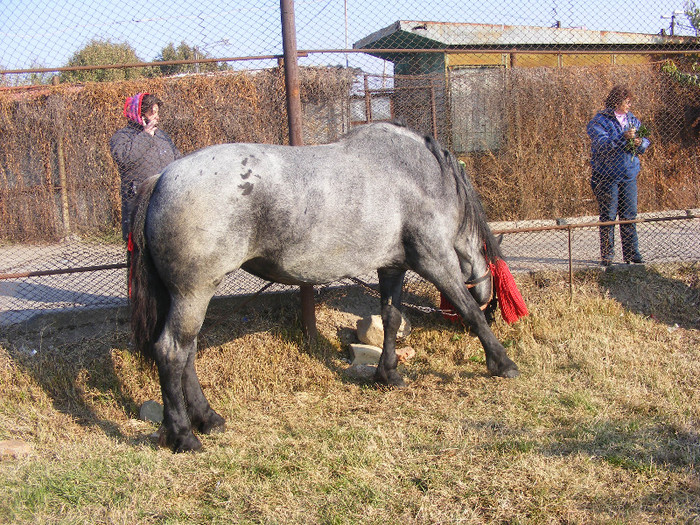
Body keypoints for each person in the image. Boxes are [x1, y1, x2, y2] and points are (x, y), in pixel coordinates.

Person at [587, 85, 651, 266]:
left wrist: (640, 142)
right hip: (607, 176)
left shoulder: (632, 119)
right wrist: (623, 137)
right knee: (608, 216)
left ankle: (631, 253)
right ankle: (607, 255)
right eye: (627, 101)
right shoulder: (599, 121)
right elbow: (601, 144)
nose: (629, 105)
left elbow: (645, 140)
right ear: (617, 102)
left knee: (629, 215)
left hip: (628, 174)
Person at [110, 93, 181, 241]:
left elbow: (177, 158)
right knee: (139, 245)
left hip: (164, 197)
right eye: (152, 113)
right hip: (138, 200)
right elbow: (124, 158)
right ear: (139, 114)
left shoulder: (162, 136)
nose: (157, 117)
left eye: (157, 113)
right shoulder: (123, 136)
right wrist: (146, 135)